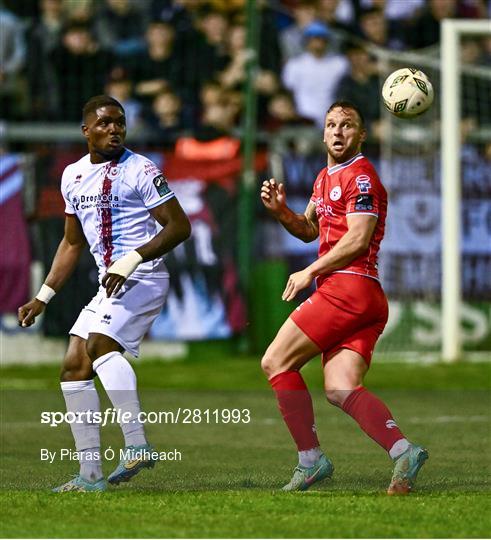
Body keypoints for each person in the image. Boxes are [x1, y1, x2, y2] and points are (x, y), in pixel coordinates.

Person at [18, 95, 191, 492]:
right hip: (109, 282)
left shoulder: (142, 170)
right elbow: (72, 242)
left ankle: (136, 443)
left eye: (119, 122)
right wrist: (43, 296)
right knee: (73, 368)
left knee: (98, 346)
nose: (114, 129)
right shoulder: (72, 176)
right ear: (86, 131)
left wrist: (132, 259)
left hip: (143, 276)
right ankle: (90, 475)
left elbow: (179, 227)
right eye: (104, 123)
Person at [260, 101, 428, 494]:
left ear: (361, 135)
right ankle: (403, 450)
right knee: (339, 387)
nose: (338, 132)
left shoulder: (362, 176)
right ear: (322, 133)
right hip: (362, 296)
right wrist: (282, 211)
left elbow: (358, 238)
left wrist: (309, 272)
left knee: (276, 361)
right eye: (331, 125)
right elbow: (307, 230)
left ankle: (310, 459)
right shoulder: (324, 178)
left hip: (348, 288)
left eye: (347, 125)